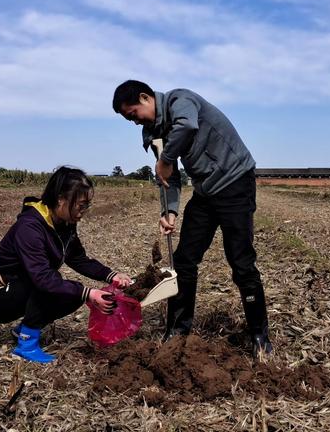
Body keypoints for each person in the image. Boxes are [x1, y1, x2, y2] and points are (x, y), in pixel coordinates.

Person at [112, 80, 272, 358]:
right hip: (206, 191)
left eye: (133, 114)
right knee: (184, 260)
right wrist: (169, 211)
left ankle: (260, 335)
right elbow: (167, 175)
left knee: (241, 261)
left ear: (145, 97)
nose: (134, 122)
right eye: (128, 119)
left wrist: (167, 158)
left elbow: (187, 127)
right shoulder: (152, 132)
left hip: (235, 182)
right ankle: (178, 330)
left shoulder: (180, 100)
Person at [0, 166, 132, 363]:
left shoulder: (65, 223)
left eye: (87, 206)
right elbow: (42, 278)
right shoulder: (30, 227)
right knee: (53, 284)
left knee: (74, 295)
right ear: (61, 199)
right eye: (80, 205)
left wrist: (111, 275)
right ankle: (26, 344)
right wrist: (89, 292)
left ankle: (23, 329)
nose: (83, 212)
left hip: (22, 285)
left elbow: (77, 258)